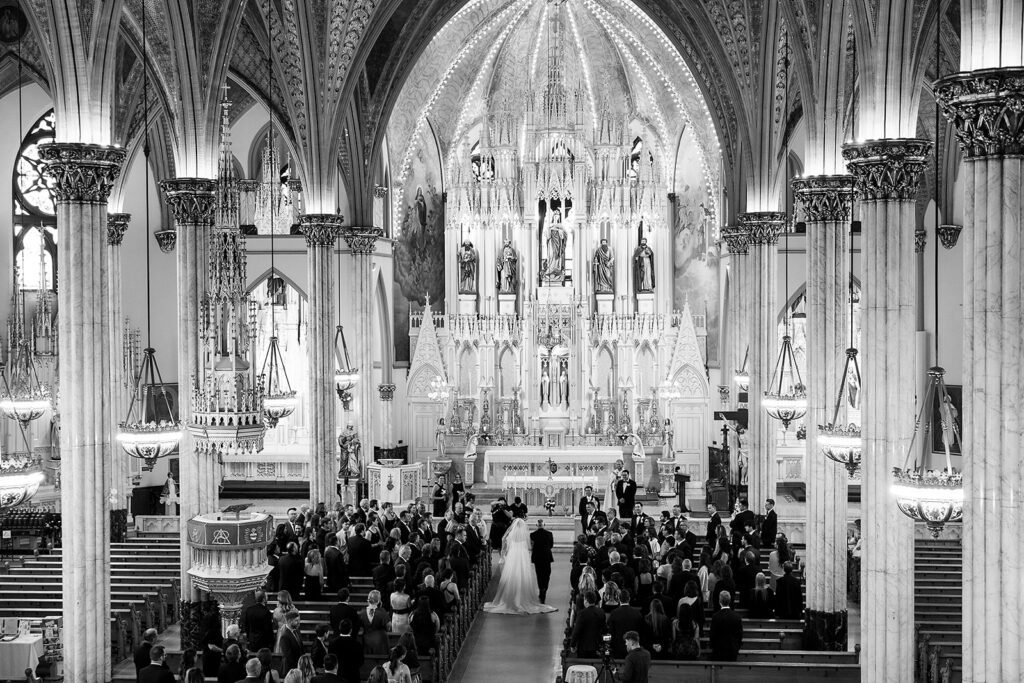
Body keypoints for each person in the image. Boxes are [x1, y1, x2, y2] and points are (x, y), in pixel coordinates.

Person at [483, 517, 558, 614]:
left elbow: (504, 540)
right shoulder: (526, 535)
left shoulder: (512, 535)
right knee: (523, 576)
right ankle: (524, 597)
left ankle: (510, 598)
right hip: (522, 557)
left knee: (512, 576)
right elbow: (529, 546)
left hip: (513, 556)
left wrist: (503, 553)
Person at [607, 590, 644, 658]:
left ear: (619, 599)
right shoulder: (637, 613)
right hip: (633, 647)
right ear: (629, 599)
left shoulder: (614, 613)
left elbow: (610, 632)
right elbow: (641, 631)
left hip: (618, 648)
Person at [709, 591, 743, 661]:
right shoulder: (737, 617)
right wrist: (737, 647)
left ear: (719, 601)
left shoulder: (715, 616)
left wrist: (712, 646)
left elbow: (712, 635)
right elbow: (739, 635)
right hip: (732, 650)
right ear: (730, 601)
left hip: (718, 650)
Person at [571, 591, 606, 657]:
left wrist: (573, 645)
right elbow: (604, 629)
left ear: (586, 600)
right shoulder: (601, 612)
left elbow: (576, 631)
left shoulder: (582, 613)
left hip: (584, 647)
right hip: (597, 646)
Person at [531, 518, 555, 603]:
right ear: (544, 525)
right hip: (546, 557)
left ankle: (541, 589)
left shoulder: (532, 534)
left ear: (537, 525)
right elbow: (551, 545)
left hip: (537, 557)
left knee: (539, 574)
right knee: (547, 573)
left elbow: (532, 546)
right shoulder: (549, 534)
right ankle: (544, 588)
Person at [361, 590, 391, 654]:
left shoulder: (362, 612)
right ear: (378, 600)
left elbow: (361, 627)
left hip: (366, 641)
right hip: (380, 642)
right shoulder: (382, 612)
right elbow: (389, 627)